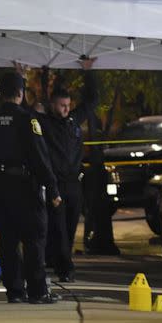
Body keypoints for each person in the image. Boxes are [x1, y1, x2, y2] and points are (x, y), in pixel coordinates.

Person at [0, 72, 62, 304]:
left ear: (1, 94)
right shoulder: (27, 119)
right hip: (24, 186)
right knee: (34, 238)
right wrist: (52, 188)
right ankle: (37, 291)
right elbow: (40, 156)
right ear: (21, 94)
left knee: (8, 239)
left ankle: (14, 291)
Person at [37, 58, 98, 282]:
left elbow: (91, 102)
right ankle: (65, 268)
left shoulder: (72, 120)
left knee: (71, 227)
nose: (66, 109)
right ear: (53, 104)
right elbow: (25, 112)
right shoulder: (45, 122)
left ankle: (58, 259)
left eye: (68, 105)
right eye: (62, 105)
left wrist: (88, 73)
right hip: (56, 184)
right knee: (60, 227)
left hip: (74, 183)